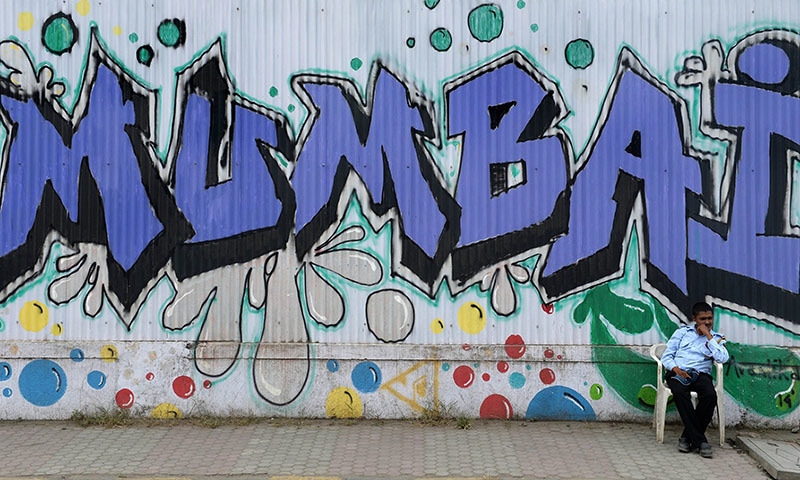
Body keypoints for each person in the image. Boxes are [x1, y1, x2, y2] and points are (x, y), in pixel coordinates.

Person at [660, 301, 729, 458]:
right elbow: (667, 356)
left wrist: (708, 336)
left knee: (710, 396)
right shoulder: (682, 333)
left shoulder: (716, 338)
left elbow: (722, 358)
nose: (707, 322)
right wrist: (676, 369)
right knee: (679, 393)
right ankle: (700, 441)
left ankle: (687, 437)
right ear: (694, 318)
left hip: (700, 374)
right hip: (679, 371)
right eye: (703, 319)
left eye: (710, 318)